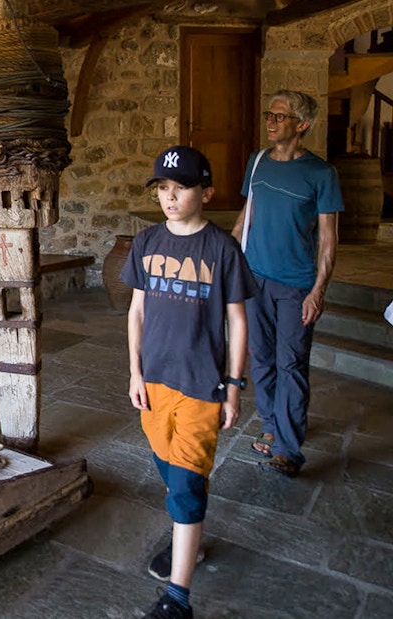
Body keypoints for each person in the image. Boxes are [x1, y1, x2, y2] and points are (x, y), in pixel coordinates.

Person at [121, 145, 257, 619]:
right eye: (163, 188)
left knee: (184, 486)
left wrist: (234, 386)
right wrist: (136, 372)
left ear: (207, 192)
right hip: (154, 381)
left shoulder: (221, 249)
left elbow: (237, 322)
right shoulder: (147, 242)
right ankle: (191, 540)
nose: (170, 197)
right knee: (170, 470)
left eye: (181, 188)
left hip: (202, 384)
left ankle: (178, 598)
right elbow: (136, 312)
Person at [231, 89, 344, 478]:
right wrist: (227, 262)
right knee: (260, 357)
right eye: (269, 114)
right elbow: (245, 217)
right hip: (254, 278)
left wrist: (318, 290)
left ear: (302, 125)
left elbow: (329, 239)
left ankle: (288, 450)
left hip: (296, 284)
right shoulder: (258, 161)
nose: (271, 121)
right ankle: (271, 423)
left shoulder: (321, 174)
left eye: (280, 116)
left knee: (291, 363)